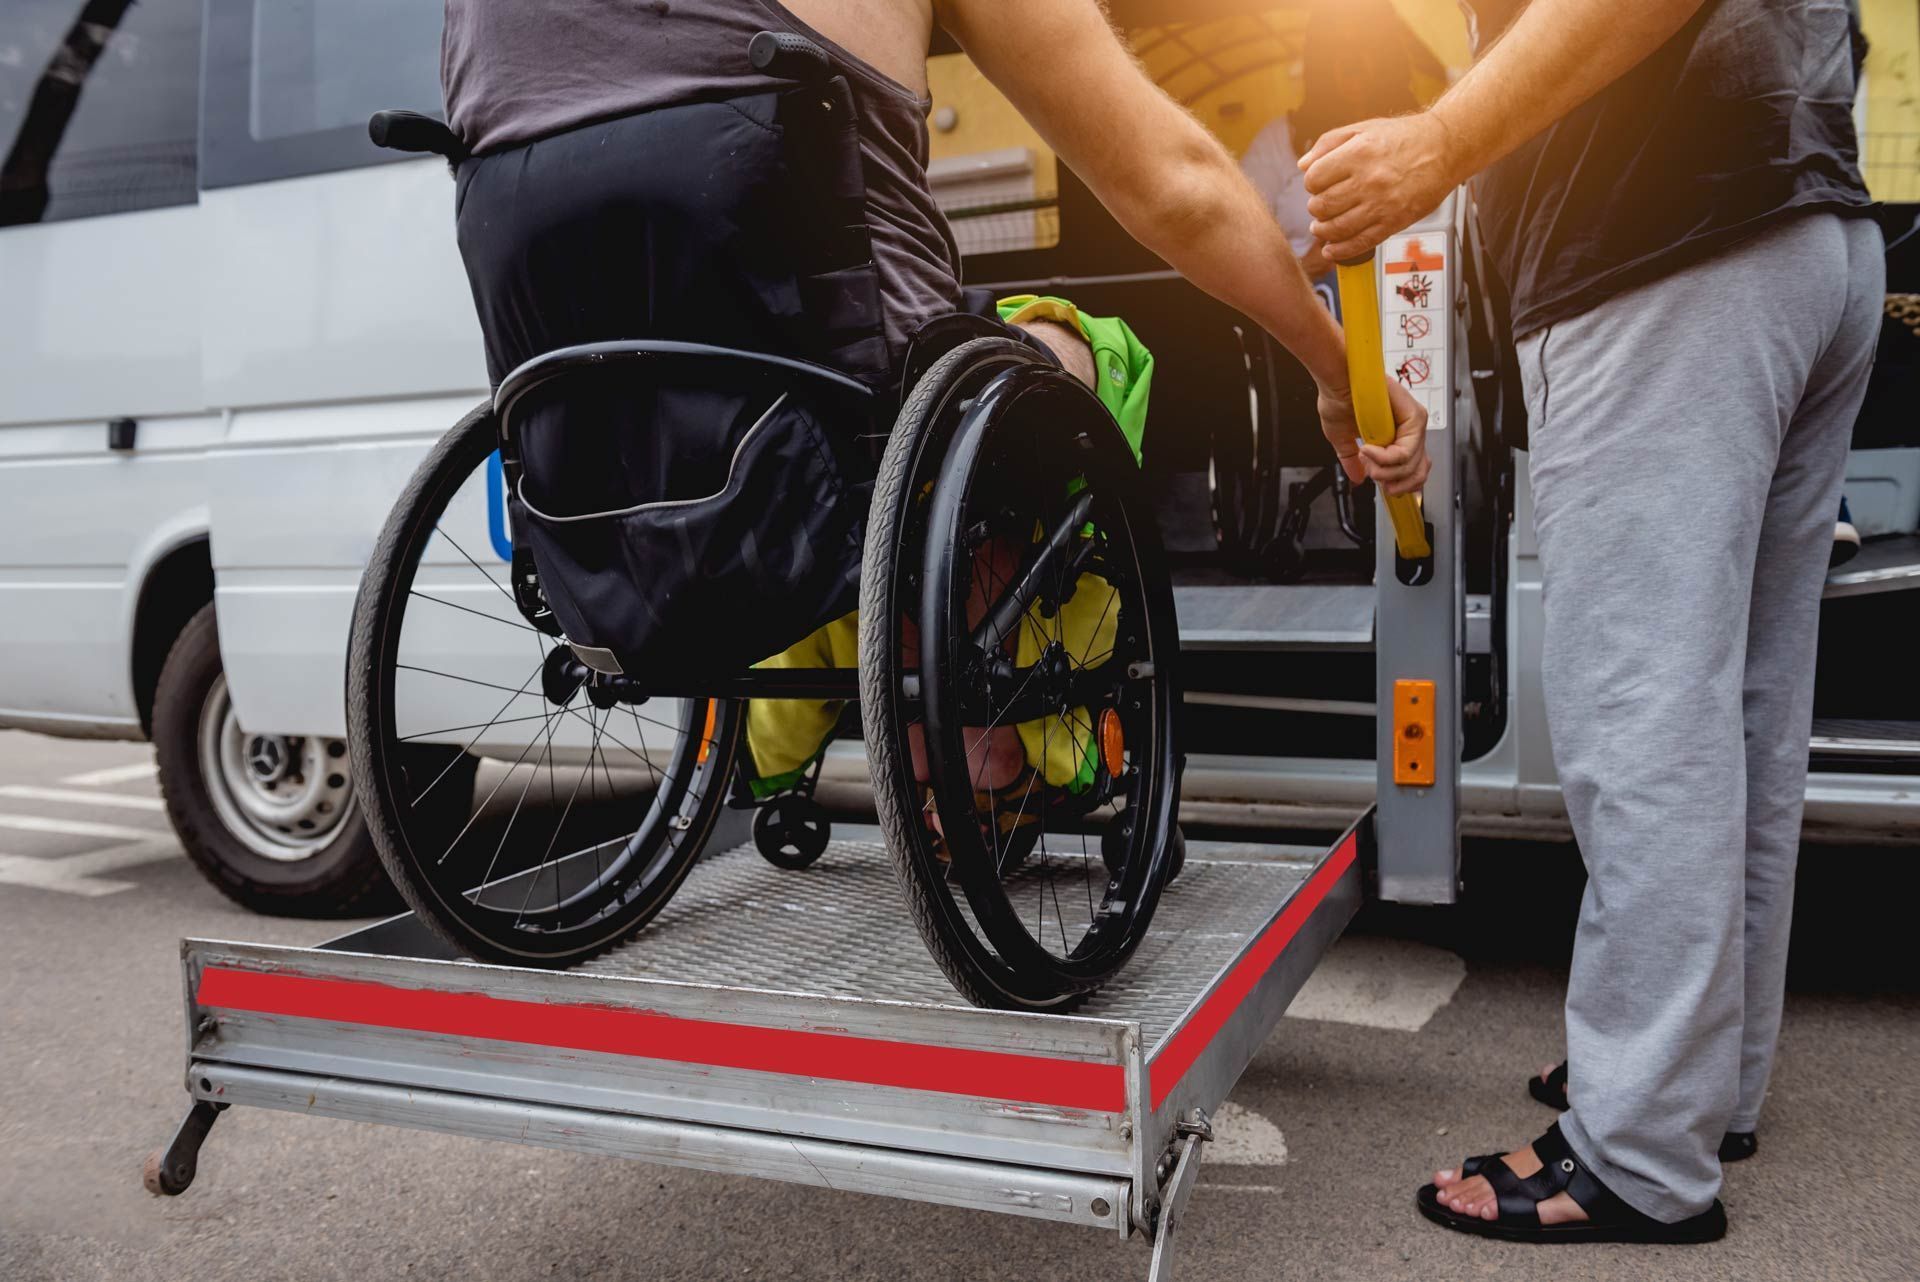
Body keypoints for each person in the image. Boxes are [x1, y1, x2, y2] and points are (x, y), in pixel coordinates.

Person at [442, 0, 1428, 816]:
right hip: (859, 403)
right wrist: (1336, 369)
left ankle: (831, 720)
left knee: (866, 421)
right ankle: (1020, 689)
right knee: (1093, 350)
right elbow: (1176, 189)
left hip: (607, 419)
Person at [1301, 0, 1880, 1245]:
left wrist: (1437, 141)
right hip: (1808, 226)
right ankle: (1695, 1086)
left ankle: (1636, 1153)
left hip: (1662, 242)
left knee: (1645, 715)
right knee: (1740, 717)